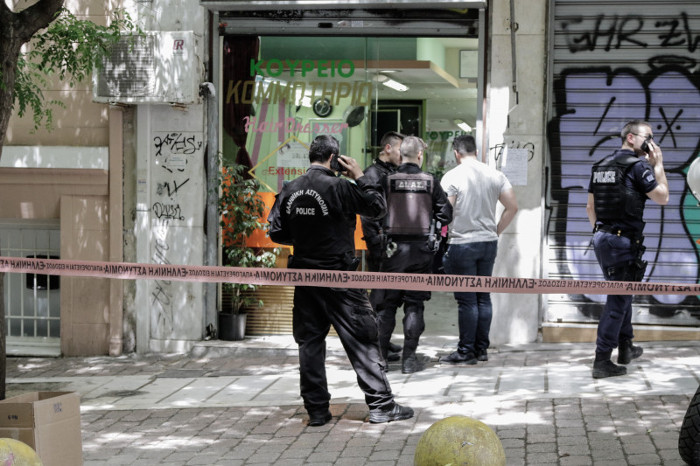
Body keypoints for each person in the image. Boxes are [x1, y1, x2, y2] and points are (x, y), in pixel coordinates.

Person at [267, 134, 414, 426]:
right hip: (340, 278)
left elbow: (276, 232)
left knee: (309, 343)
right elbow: (377, 207)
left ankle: (317, 411)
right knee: (362, 338)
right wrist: (360, 175)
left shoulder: (290, 188)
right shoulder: (339, 187)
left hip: (306, 278)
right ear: (334, 159)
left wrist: (305, 238)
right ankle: (381, 405)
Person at [586, 120, 669, 379]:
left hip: (603, 238)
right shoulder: (638, 166)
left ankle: (626, 347)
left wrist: (602, 233)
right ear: (631, 138)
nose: (652, 143)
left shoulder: (601, 165)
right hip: (621, 243)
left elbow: (590, 208)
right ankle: (602, 360)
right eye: (648, 137)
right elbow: (663, 197)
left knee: (624, 292)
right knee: (618, 299)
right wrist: (658, 165)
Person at [372, 136, 453, 374]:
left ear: (401, 155)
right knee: (414, 305)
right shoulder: (430, 181)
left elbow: (372, 211)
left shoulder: (387, 181)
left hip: (392, 252)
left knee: (386, 306)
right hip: (421, 253)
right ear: (420, 155)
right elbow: (446, 214)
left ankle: (381, 361)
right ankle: (408, 360)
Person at [438, 134, 518, 365]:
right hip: (488, 243)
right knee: (483, 297)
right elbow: (512, 207)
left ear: (456, 153)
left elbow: (445, 213)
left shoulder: (452, 176)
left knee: (467, 300)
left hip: (462, 243)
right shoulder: (495, 174)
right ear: (476, 151)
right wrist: (496, 231)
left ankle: (466, 351)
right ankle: (481, 349)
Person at [361, 131, 405, 361]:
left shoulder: (391, 172)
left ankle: (382, 340)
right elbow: (367, 214)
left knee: (387, 298)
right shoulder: (372, 174)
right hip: (380, 246)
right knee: (378, 298)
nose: (402, 155)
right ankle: (375, 347)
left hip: (390, 244)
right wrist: (377, 243)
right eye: (400, 150)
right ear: (388, 148)